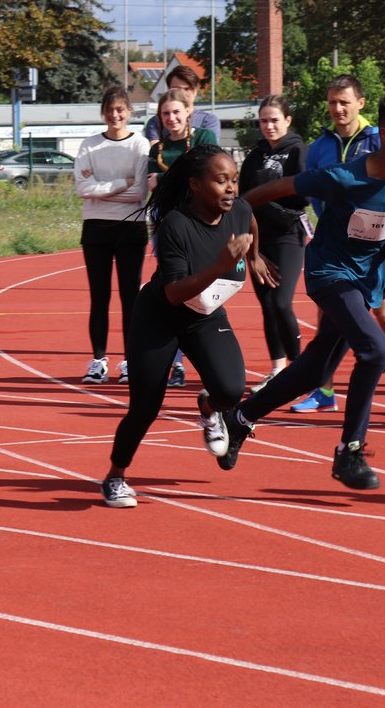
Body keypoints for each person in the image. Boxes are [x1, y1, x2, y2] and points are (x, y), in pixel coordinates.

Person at [222, 94, 385, 490]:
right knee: (376, 349)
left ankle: (239, 418)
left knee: (314, 370)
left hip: (367, 282)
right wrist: (235, 224)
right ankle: (350, 451)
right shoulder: (344, 177)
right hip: (329, 272)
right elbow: (273, 189)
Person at [99, 144, 271, 507]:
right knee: (145, 408)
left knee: (230, 390)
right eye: (221, 181)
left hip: (205, 315)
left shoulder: (238, 210)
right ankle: (115, 477)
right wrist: (222, 263)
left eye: (234, 180)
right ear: (195, 184)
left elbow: (250, 220)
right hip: (160, 317)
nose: (231, 189)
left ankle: (208, 409)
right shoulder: (175, 225)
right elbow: (175, 293)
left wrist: (254, 257)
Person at [290, 75, 385, 417]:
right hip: (334, 249)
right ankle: (325, 390)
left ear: (360, 103)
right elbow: (313, 192)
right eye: (332, 102)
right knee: (327, 315)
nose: (337, 108)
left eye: (344, 101)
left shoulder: (380, 139)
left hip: (372, 246)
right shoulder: (319, 147)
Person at [75, 86, 150, 384]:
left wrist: (103, 192)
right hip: (95, 229)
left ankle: (130, 360)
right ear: (103, 112)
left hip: (131, 228)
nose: (115, 115)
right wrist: (122, 183)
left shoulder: (140, 146)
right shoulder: (89, 145)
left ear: (129, 111)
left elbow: (140, 192)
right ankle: (98, 360)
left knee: (130, 297)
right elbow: (83, 190)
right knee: (99, 296)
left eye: (120, 109)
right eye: (109, 110)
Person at [145, 89, 219, 388]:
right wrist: (174, 180)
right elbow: (154, 185)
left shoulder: (203, 139)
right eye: (166, 114)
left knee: (203, 294)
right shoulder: (157, 150)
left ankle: (209, 359)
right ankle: (174, 363)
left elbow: (205, 175)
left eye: (177, 112)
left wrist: (166, 180)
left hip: (200, 226)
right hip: (166, 228)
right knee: (172, 293)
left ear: (188, 111)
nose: (172, 118)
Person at [238, 95, 308, 390]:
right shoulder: (254, 156)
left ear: (287, 120)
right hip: (258, 238)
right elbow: (241, 197)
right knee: (266, 304)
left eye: (274, 120)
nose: (268, 126)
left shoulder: (297, 151)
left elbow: (304, 194)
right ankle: (277, 368)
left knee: (281, 302)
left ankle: (300, 368)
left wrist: (269, 197)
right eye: (264, 121)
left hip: (288, 235)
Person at [143, 65, 221, 140]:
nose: (182, 93)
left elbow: (210, 151)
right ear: (168, 90)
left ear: (195, 91)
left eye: (186, 89)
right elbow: (155, 149)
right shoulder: (155, 122)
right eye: (176, 89)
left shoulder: (208, 121)